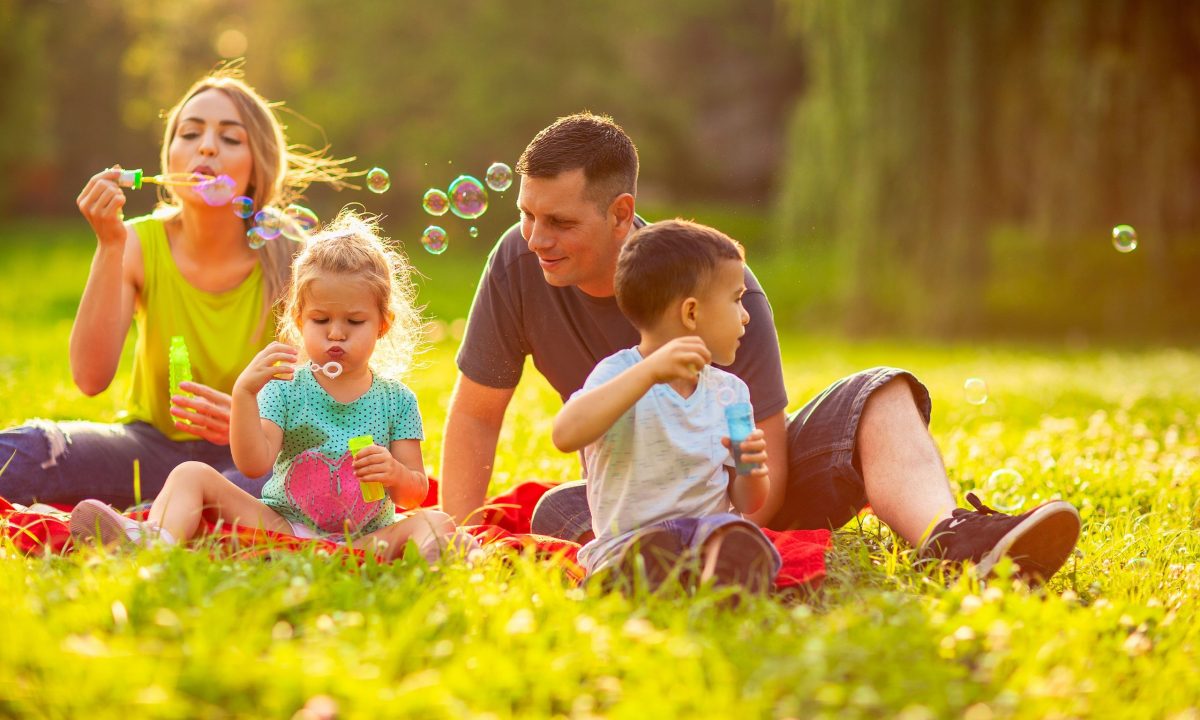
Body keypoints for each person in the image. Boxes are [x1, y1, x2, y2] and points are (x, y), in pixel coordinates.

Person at [442, 112, 1081, 583]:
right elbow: (476, 412)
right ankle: (664, 551)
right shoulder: (516, 264)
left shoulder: (717, 288)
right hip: (638, 486)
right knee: (563, 507)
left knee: (883, 388)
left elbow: (767, 489)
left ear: (620, 213)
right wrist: (462, 535)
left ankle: (952, 540)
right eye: (528, 213)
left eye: (559, 222)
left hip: (737, 484)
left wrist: (728, 483)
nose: (534, 238)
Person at [0, 64, 352, 508]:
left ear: (256, 167)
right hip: (148, 450)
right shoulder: (134, 241)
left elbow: (328, 392)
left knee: (306, 481)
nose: (206, 146)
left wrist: (250, 423)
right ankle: (167, 515)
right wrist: (110, 245)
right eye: (189, 134)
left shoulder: (293, 254)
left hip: (256, 459)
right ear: (169, 158)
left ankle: (155, 518)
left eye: (229, 138)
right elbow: (90, 378)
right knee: (33, 449)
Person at [70, 210, 457, 561]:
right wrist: (243, 394)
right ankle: (152, 542)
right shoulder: (285, 388)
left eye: (354, 322)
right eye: (321, 321)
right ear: (299, 318)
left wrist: (393, 473)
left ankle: (434, 558)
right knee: (191, 473)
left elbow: (414, 492)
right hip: (284, 529)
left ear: (382, 324)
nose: (336, 334)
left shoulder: (397, 400)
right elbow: (254, 463)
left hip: (368, 538)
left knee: (435, 522)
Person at [553, 219, 780, 592]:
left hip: (707, 532)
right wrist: (649, 373)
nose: (746, 315)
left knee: (730, 531)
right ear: (691, 313)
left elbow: (748, 501)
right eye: (736, 299)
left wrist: (751, 469)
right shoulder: (618, 375)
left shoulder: (730, 392)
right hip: (629, 542)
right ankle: (653, 571)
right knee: (645, 548)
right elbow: (564, 434)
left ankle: (720, 576)